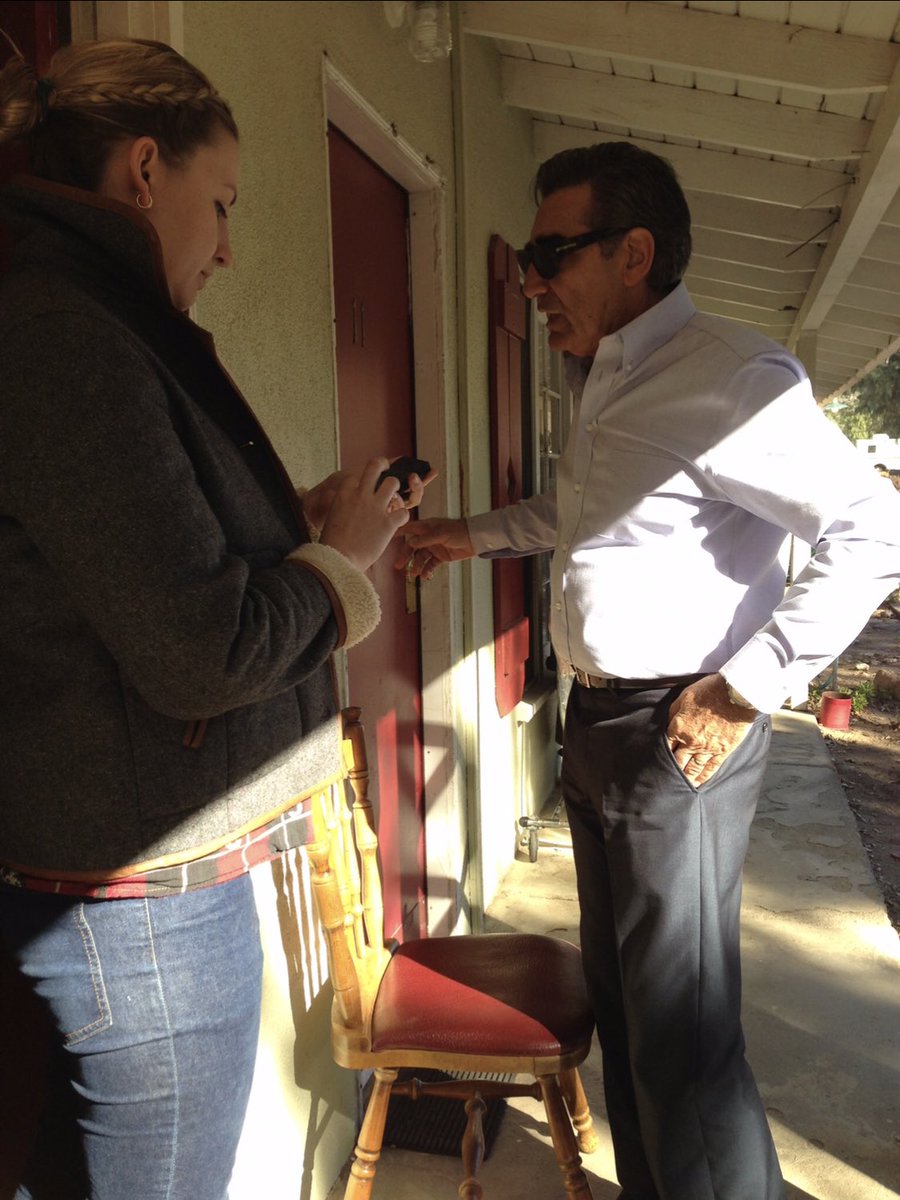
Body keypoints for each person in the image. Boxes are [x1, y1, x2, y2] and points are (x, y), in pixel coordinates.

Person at [400, 141, 900, 1199]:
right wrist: (469, 535)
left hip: (680, 733)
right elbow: (587, 521)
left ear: (634, 253)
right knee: (627, 1013)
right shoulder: (609, 376)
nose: (531, 280)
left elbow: (874, 527)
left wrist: (747, 683)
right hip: (598, 727)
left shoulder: (729, 376)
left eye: (551, 253)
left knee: (683, 1032)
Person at [0, 37, 428, 1200]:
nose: (232, 246)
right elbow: (202, 650)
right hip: (142, 903)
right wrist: (338, 564)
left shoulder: (84, 314)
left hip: (140, 885)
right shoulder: (63, 331)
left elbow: (119, 568)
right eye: (223, 202)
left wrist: (299, 525)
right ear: (147, 171)